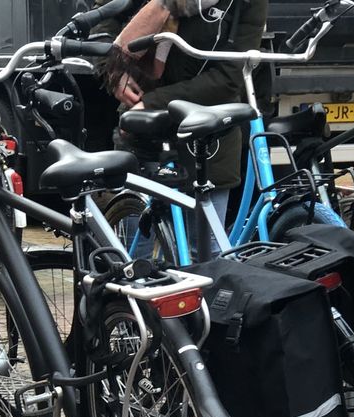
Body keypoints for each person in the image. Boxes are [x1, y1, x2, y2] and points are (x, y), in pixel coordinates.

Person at [95, 0, 269, 258]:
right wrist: (112, 73)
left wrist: (152, 102)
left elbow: (228, 78)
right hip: (142, 132)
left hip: (207, 139)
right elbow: (103, 22)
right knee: (131, 255)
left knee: (205, 256)